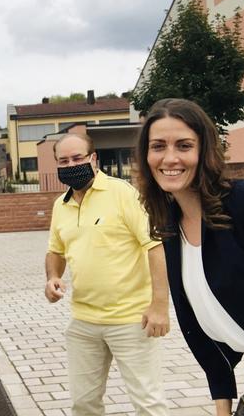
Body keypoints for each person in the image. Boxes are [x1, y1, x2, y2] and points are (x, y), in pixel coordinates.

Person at [135, 98, 244, 416]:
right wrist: (222, 408)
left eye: (184, 145)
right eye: (158, 146)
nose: (170, 158)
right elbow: (200, 333)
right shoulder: (169, 224)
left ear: (204, 151)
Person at [45, 133, 170, 416]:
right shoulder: (60, 205)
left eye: (77, 158)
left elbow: (154, 246)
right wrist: (53, 277)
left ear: (93, 159)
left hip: (131, 320)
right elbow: (56, 250)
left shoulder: (123, 193)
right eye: (63, 161)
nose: (71, 164)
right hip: (84, 323)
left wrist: (160, 307)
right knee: (83, 404)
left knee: (148, 403)